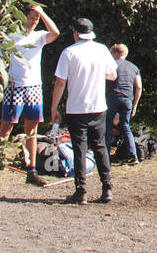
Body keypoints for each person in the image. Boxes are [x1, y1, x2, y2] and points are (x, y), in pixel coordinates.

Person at [49, 17, 118, 205]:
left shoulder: (69, 53)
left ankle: (81, 190)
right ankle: (107, 187)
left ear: (75, 34)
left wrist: (54, 107)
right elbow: (112, 75)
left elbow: (61, 81)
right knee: (100, 146)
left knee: (80, 148)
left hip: (76, 108)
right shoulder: (102, 50)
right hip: (98, 106)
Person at [0, 4, 59, 186]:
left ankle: (31, 170)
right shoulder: (10, 37)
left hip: (34, 88)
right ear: (22, 18)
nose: (33, 22)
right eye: (31, 18)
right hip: (15, 87)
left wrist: (42, 12)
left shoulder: (38, 37)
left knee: (31, 130)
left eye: (36, 19)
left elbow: (55, 33)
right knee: (6, 129)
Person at [106, 44, 143, 164]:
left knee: (108, 127)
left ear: (115, 54)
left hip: (113, 97)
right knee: (125, 126)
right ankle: (133, 156)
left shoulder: (112, 65)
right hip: (127, 100)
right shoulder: (134, 67)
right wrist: (135, 105)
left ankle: (104, 156)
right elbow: (138, 87)